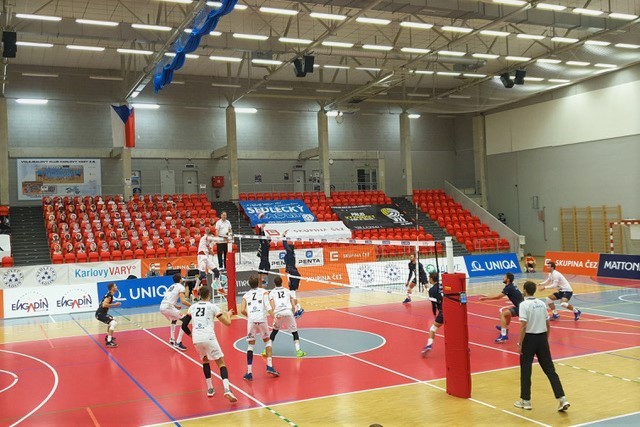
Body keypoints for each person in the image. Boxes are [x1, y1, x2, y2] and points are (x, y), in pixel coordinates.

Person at [515, 281, 570, 412]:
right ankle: (562, 399)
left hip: (529, 339)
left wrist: (519, 343)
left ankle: (526, 401)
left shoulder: (523, 305)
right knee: (550, 370)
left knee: (526, 369)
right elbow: (547, 323)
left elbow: (523, 325)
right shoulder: (541, 303)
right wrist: (545, 339)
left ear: (525, 291)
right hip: (542, 338)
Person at [187, 285, 237, 401]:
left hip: (197, 338)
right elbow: (227, 323)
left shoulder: (192, 307)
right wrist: (228, 314)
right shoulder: (213, 306)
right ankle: (227, 389)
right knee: (221, 363)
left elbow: (184, 325)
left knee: (205, 361)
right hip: (208, 336)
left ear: (199, 295)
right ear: (209, 295)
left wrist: (192, 335)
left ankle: (210, 388)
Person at [240, 276, 279, 380]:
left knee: (251, 345)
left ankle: (249, 373)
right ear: (258, 283)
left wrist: (249, 316)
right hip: (262, 319)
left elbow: (242, 310)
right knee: (267, 341)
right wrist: (274, 317)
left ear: (249, 284)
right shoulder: (264, 292)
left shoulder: (245, 295)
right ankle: (269, 366)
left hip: (251, 320)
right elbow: (268, 306)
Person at [266, 276, 307, 358]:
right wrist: (293, 312)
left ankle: (266, 350)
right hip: (288, 312)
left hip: (278, 313)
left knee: (274, 331)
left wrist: (275, 316)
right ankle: (298, 351)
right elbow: (293, 304)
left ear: (274, 283)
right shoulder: (287, 291)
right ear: (282, 282)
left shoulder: (271, 293)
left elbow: (273, 306)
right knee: (294, 332)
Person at [479, 272, 524, 343]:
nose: (503, 278)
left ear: (508, 279)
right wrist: (487, 296)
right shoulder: (511, 286)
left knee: (502, 314)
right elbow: (499, 294)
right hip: (521, 307)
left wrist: (485, 298)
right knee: (507, 314)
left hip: (521, 308)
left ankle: (503, 335)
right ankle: (504, 328)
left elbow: (498, 297)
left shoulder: (508, 288)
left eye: (504, 277)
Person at [159, 274, 192, 350]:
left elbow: (169, 298)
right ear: (180, 279)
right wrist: (193, 305)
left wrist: (176, 306)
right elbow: (183, 301)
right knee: (185, 320)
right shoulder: (181, 287)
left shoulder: (171, 286)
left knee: (174, 319)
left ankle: (172, 338)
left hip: (162, 306)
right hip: (168, 307)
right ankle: (178, 342)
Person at [283, 232, 304, 318]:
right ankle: (297, 309)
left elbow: (285, 245)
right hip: (292, 274)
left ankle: (299, 308)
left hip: (294, 274)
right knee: (292, 294)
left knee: (292, 295)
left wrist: (283, 237)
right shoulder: (288, 255)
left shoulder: (290, 253)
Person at [422, 272, 443, 356]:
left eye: (429, 278)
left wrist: (435, 315)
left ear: (431, 278)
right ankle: (465, 346)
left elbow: (433, 305)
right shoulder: (442, 286)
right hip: (451, 310)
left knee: (433, 328)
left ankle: (429, 345)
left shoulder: (431, 290)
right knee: (455, 330)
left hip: (443, 312)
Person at [95, 283, 121, 347]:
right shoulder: (109, 296)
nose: (116, 287)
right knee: (113, 323)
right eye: (115, 286)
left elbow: (102, 303)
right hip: (100, 314)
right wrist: (115, 304)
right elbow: (104, 305)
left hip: (101, 313)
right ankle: (109, 342)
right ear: (112, 288)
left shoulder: (109, 294)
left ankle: (108, 336)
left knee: (113, 319)